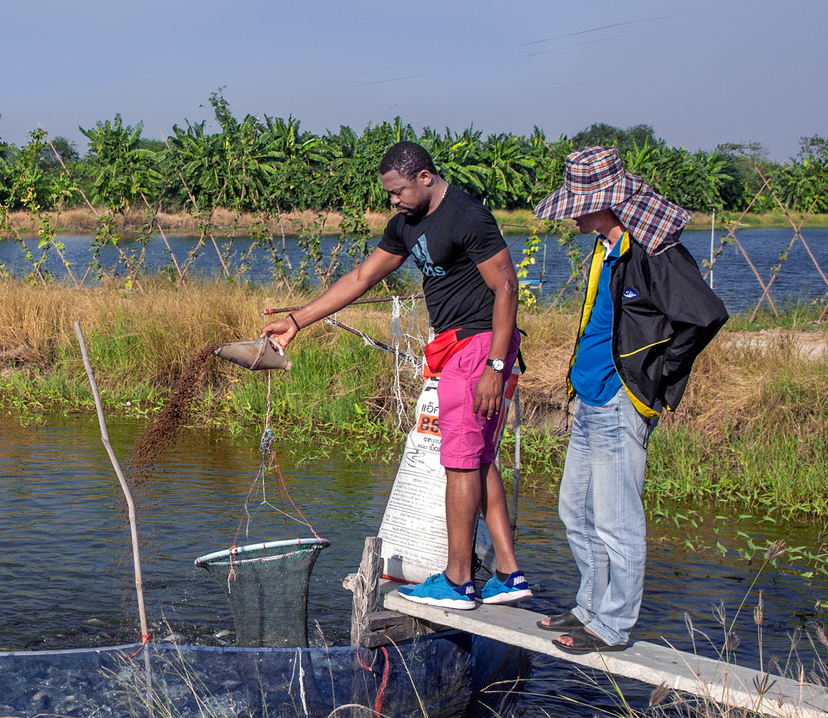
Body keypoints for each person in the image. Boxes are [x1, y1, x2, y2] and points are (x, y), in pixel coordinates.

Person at [262, 140, 531, 610]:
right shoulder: (407, 224)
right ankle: (508, 573)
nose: (393, 201)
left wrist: (495, 365)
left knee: (460, 463)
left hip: (478, 346)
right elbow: (362, 277)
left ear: (425, 177)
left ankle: (458, 581)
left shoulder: (467, 216)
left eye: (399, 191)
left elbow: (506, 286)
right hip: (456, 347)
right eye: (389, 194)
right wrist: (298, 319)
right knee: (480, 458)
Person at [531, 146, 728, 654]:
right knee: (574, 509)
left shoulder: (654, 252)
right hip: (589, 399)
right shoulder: (605, 244)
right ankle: (590, 605)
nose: (571, 213)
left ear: (603, 203)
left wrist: (652, 379)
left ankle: (613, 625)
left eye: (577, 203)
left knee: (617, 520)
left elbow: (704, 316)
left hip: (621, 402)